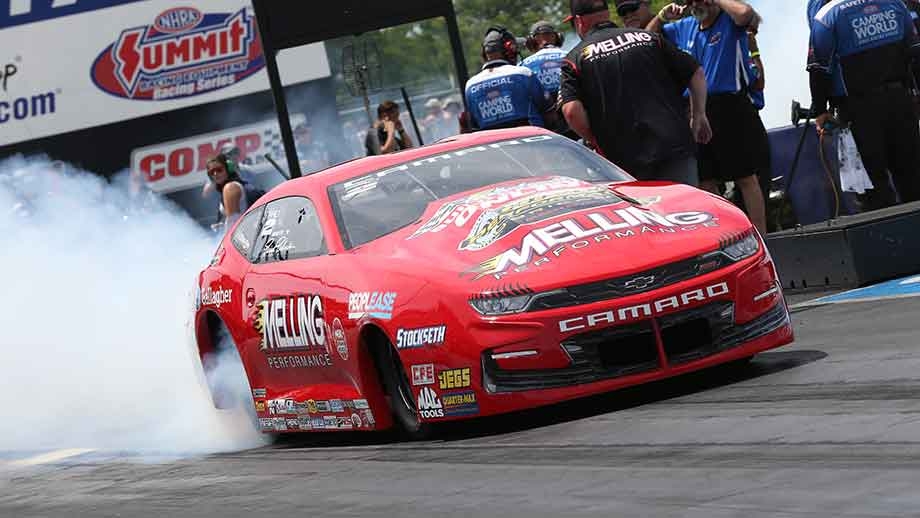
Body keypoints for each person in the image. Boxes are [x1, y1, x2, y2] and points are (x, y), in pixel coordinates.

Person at [560, 0, 712, 186]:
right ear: (607, 14)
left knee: (648, 214)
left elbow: (571, 111)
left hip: (623, 161)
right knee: (689, 211)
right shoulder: (648, 38)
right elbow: (696, 72)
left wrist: (596, 140)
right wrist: (699, 115)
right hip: (674, 145)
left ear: (579, 21)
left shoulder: (574, 59)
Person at [650, 0, 769, 234]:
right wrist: (662, 16)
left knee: (745, 176)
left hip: (729, 105)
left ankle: (762, 238)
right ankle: (726, 234)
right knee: (705, 181)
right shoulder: (685, 26)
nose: (695, 4)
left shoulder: (729, 21)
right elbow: (647, 38)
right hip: (693, 109)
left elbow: (745, 14)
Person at [809, 0, 920, 210]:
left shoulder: (826, 15)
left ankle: (886, 240)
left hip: (858, 110)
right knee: (912, 177)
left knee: (873, 187)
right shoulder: (895, 4)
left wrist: (821, 111)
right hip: (900, 101)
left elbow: (819, 68)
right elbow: (915, 53)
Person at [464, 26, 551, 130]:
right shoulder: (524, 74)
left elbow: (474, 126)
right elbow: (549, 113)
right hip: (535, 142)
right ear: (510, 49)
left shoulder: (470, 85)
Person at [521, 21, 573, 136]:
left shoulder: (522, 66)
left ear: (531, 42)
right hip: (574, 123)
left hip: (546, 131)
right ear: (558, 38)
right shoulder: (571, 55)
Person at [206, 153, 249, 234]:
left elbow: (233, 222)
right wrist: (221, 225)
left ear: (228, 169)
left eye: (219, 170)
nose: (215, 174)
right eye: (212, 172)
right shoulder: (231, 186)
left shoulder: (230, 188)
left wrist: (223, 245)